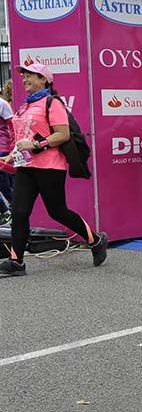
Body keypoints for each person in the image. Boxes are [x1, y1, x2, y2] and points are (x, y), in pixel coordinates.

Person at [0, 62, 108, 276]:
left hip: (50, 167)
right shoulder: (25, 105)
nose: (25, 79)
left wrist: (36, 145)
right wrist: (11, 155)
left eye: (31, 75)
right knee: (19, 212)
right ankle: (17, 262)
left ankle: (95, 240)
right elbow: (24, 137)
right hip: (26, 167)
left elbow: (63, 135)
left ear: (44, 80)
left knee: (57, 211)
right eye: (24, 75)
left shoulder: (53, 103)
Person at [0, 81, 14, 225]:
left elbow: (12, 127)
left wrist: (11, 150)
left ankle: (12, 210)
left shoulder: (2, 104)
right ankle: (7, 211)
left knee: (5, 184)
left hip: (2, 149)